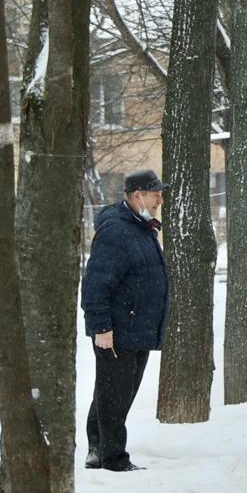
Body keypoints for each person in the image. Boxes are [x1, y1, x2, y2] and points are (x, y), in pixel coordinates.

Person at [81, 169, 171, 473]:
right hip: (117, 331)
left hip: (137, 330)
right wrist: (101, 327)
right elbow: (95, 283)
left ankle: (96, 447)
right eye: (154, 193)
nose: (160, 199)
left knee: (115, 393)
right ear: (137, 196)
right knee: (114, 396)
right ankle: (113, 458)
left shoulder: (141, 227)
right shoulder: (116, 231)